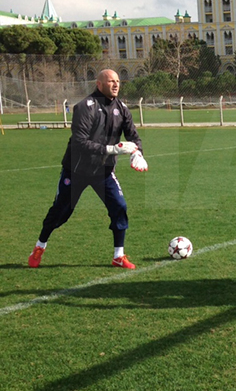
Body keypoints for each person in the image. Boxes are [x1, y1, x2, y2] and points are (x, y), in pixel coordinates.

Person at [28, 69, 148, 270]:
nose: (116, 84)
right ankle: (40, 246)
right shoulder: (85, 107)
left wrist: (138, 153)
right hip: (76, 171)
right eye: (111, 81)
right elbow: (79, 142)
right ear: (99, 84)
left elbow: (134, 136)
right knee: (60, 212)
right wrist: (111, 149)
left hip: (104, 172)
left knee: (119, 207)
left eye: (118, 81)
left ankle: (118, 255)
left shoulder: (122, 108)